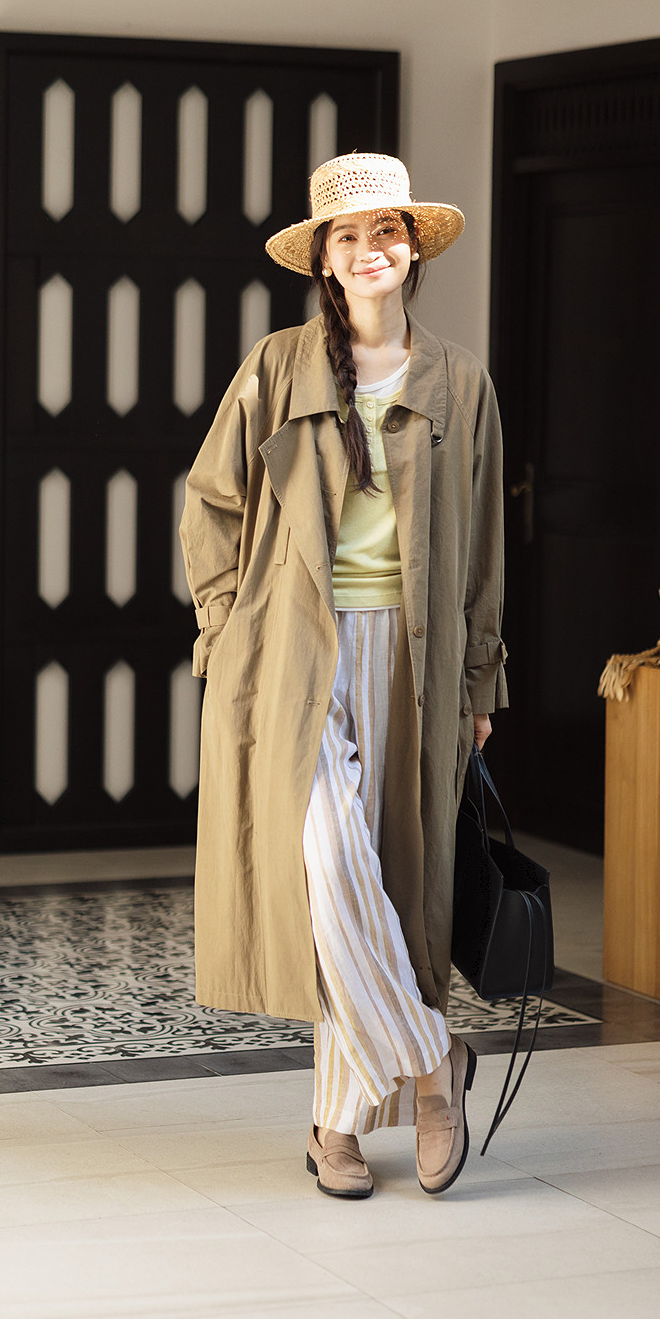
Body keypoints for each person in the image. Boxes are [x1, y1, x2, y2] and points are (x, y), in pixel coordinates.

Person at [179, 152, 507, 1199]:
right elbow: (210, 501)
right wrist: (224, 631)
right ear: (324, 258)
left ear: (413, 249)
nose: (371, 251)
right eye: (349, 236)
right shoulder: (278, 367)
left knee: (385, 879)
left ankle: (336, 1129)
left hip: (415, 656)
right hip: (290, 655)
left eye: (388, 231)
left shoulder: (459, 381)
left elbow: (485, 550)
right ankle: (434, 1064)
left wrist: (480, 684)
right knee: (329, 868)